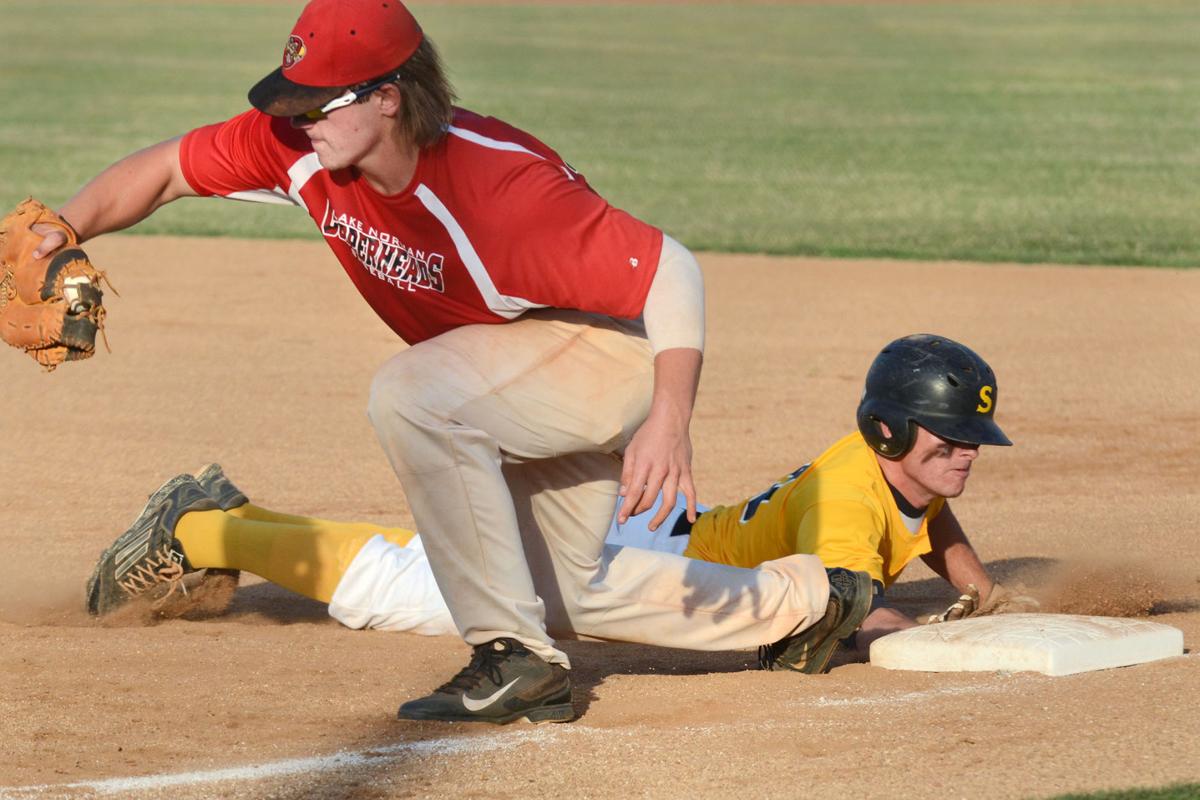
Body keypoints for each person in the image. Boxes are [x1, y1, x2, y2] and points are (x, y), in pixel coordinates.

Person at [60, 0, 865, 725]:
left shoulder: (498, 186)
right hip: (514, 364)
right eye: (294, 99)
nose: (298, 120)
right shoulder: (301, 145)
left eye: (319, 103)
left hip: (607, 349)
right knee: (561, 588)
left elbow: (669, 269)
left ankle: (513, 659)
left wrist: (669, 419)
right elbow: (169, 168)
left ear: (387, 97)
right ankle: (810, 607)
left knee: (414, 394)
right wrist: (61, 230)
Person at [88, 335, 1027, 670]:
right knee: (420, 590)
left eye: (970, 441)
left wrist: (980, 589)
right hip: (651, 558)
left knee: (434, 561)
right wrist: (934, 631)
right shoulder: (849, 502)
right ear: (889, 433)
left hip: (661, 535)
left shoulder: (890, 470)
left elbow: (928, 518)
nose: (964, 457)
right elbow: (852, 611)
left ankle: (230, 517)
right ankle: (202, 527)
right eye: (948, 440)